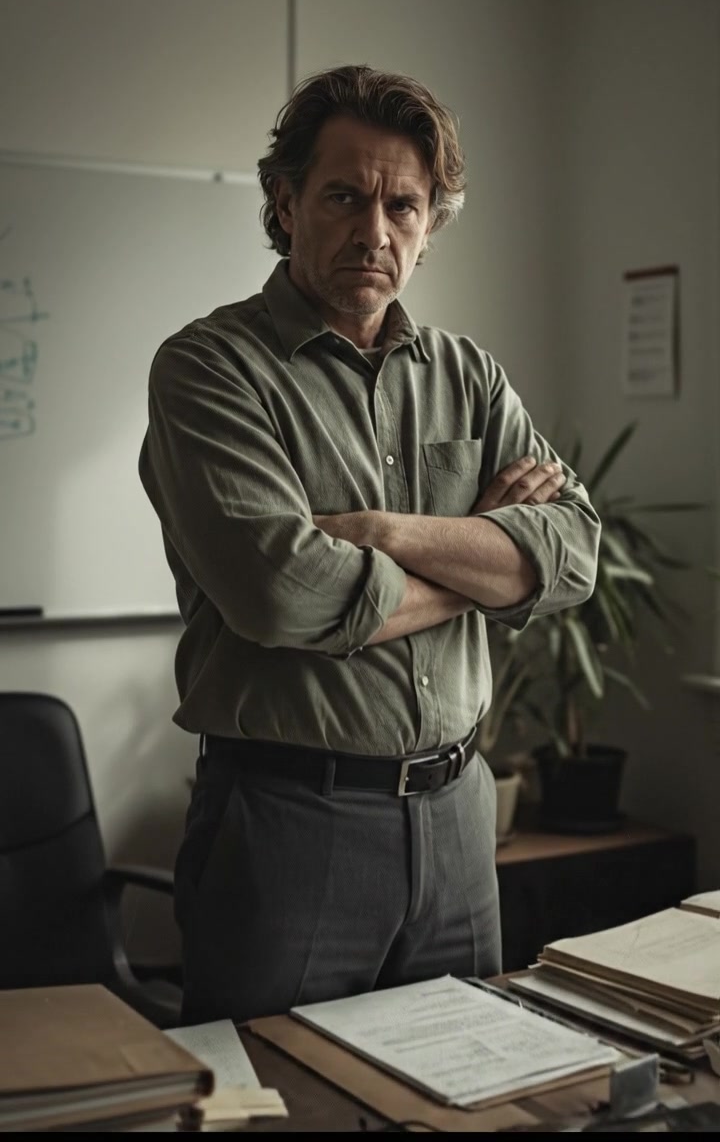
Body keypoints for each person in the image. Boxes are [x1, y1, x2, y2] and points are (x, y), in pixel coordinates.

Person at [139, 64, 600, 1024]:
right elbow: (286, 597)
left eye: (405, 204)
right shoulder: (209, 369)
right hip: (289, 821)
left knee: (459, 1100)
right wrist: (483, 557)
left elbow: (574, 555)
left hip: (461, 815)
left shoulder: (470, 376)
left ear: (432, 224)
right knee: (278, 1103)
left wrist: (387, 533)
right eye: (345, 196)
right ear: (286, 199)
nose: (375, 230)